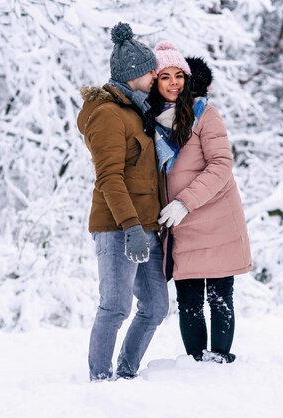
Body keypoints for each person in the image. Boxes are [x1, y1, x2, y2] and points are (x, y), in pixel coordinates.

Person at [148, 41, 252, 364]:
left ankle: (220, 360)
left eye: (179, 75)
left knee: (219, 296)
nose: (174, 83)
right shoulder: (149, 120)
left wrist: (184, 203)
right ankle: (194, 363)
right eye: (166, 76)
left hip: (216, 219)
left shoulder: (205, 114)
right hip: (182, 227)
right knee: (189, 300)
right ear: (156, 81)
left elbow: (221, 165)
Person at [76, 22, 168, 381]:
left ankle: (127, 373)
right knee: (115, 307)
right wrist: (130, 227)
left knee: (156, 307)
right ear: (133, 75)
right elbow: (109, 178)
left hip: (146, 226)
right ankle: (100, 379)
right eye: (150, 71)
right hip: (118, 227)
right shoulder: (108, 115)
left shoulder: (135, 111)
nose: (155, 76)